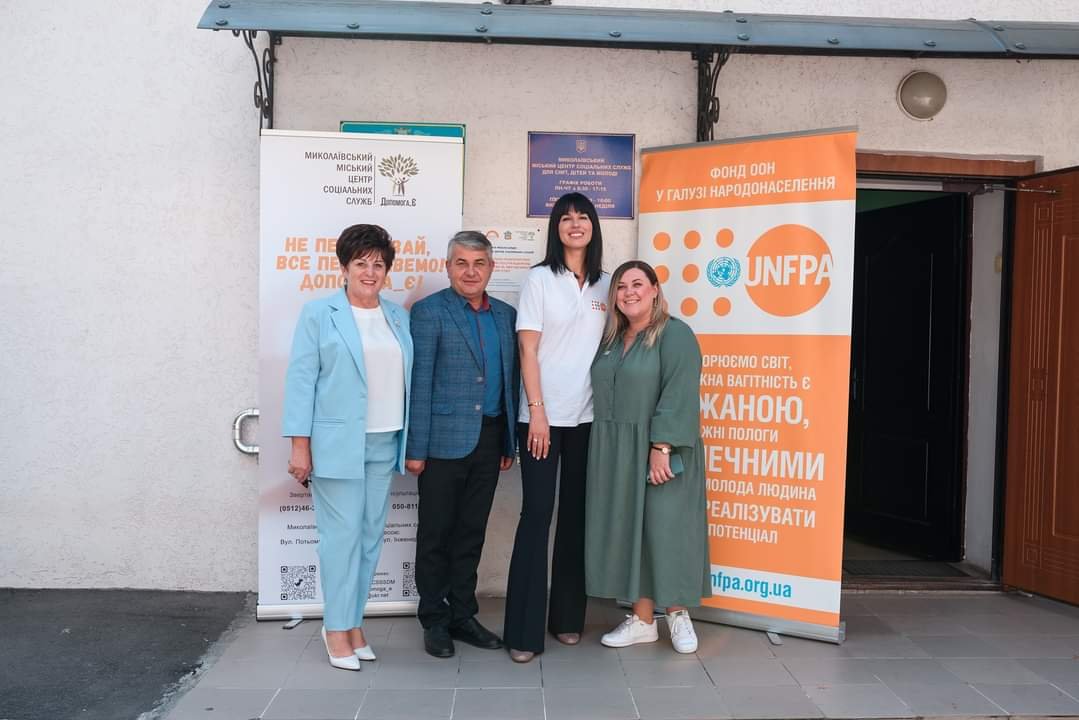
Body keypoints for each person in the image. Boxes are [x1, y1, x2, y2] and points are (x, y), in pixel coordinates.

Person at [282, 224, 413, 671]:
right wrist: (300, 447)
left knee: (370, 538)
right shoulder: (319, 314)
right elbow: (301, 382)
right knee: (340, 540)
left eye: (378, 264)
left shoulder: (397, 317)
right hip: (337, 443)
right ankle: (335, 628)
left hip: (385, 439)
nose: (370, 271)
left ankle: (353, 623)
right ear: (344, 267)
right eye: (361, 263)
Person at [503, 192, 610, 663]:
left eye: (583, 216)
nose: (575, 224)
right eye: (566, 218)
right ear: (556, 228)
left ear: (593, 226)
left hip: (588, 419)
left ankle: (567, 618)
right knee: (537, 514)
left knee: (575, 516)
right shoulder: (539, 279)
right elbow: (528, 350)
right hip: (542, 420)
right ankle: (523, 632)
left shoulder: (607, 284)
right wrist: (538, 411)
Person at [585, 260, 711, 655]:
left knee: (666, 529)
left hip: (660, 447)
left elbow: (680, 392)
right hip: (616, 449)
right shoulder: (610, 339)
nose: (629, 293)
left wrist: (662, 448)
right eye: (621, 287)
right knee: (632, 532)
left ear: (655, 289)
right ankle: (642, 620)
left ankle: (677, 614)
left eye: (637, 284)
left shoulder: (675, 334)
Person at [405, 231, 519, 659]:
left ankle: (462, 615)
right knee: (436, 533)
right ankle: (434, 619)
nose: (470, 272)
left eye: (479, 263)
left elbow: (510, 381)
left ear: (491, 268)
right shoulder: (429, 312)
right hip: (441, 442)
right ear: (448, 266)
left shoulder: (505, 315)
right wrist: (416, 449)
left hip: (490, 438)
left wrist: (508, 441)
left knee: (471, 532)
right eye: (461, 263)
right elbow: (419, 384)